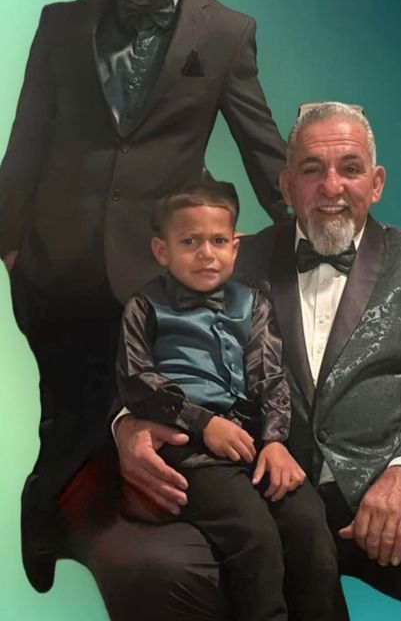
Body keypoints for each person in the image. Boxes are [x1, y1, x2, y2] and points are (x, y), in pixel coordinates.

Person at [0, 0, 287, 604]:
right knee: (67, 411)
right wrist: (10, 247)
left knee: (155, 410)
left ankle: (166, 557)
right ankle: (46, 512)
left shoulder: (224, 32)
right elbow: (25, 141)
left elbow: (262, 147)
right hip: (53, 266)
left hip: (156, 275)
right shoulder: (60, 26)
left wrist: (307, 236)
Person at [124, 102, 401, 621]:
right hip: (263, 488)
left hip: (391, 485)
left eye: (349, 168)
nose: (331, 186)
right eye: (312, 170)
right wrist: (125, 424)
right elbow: (153, 343)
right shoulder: (228, 260)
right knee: (159, 570)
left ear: (375, 183)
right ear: (285, 186)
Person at [116, 180, 349, 621]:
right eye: (190, 241)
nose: (207, 253)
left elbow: (271, 376)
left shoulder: (253, 301)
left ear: (235, 246)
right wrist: (203, 423)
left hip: (257, 442)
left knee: (310, 527)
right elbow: (137, 380)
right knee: (255, 537)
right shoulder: (144, 307)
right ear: (162, 250)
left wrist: (277, 441)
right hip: (193, 449)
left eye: (218, 241)